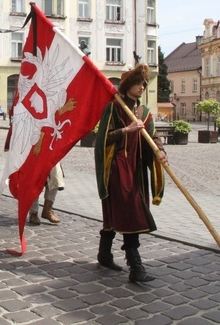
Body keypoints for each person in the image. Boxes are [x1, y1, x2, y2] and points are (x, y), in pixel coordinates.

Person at [94, 64, 167, 282]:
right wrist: (127, 129)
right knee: (130, 214)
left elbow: (152, 137)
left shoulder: (144, 113)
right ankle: (136, 267)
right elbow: (102, 140)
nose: (142, 87)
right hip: (117, 168)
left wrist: (160, 150)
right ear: (128, 85)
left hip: (136, 169)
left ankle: (104, 254)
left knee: (117, 214)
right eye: (138, 83)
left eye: (144, 83)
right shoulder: (114, 107)